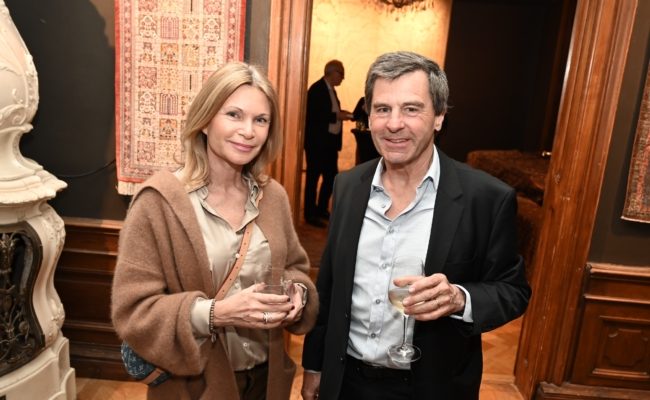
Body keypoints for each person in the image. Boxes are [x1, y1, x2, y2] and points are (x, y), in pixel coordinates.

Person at [301, 51, 531, 400]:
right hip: (346, 381)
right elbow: (329, 286)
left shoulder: (486, 198)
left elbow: (512, 292)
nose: (394, 124)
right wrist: (314, 366)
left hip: (430, 387)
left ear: (439, 116)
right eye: (382, 109)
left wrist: (459, 298)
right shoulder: (348, 186)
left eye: (411, 109)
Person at [111, 62, 318, 400]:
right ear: (206, 120)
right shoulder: (158, 202)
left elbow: (295, 268)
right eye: (234, 115)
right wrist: (216, 313)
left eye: (260, 120)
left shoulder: (273, 196)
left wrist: (298, 292)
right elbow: (133, 311)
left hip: (268, 383)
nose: (248, 131)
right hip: (196, 386)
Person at [303, 59, 353, 228]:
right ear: (332, 72)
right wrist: (337, 116)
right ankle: (310, 214)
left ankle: (321, 209)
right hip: (317, 144)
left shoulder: (331, 90)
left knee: (331, 178)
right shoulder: (317, 89)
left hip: (329, 144)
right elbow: (314, 115)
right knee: (312, 178)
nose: (343, 78)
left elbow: (330, 112)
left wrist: (341, 114)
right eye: (341, 74)